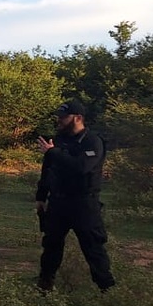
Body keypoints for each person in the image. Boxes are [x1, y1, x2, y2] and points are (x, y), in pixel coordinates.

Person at [34, 99, 115, 293]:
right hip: (58, 202)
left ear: (78, 118)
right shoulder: (59, 140)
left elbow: (81, 167)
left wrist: (53, 152)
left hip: (84, 204)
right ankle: (45, 285)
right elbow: (48, 170)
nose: (59, 120)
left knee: (93, 248)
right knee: (51, 245)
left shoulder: (92, 141)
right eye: (58, 117)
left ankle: (108, 290)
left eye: (63, 117)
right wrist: (41, 197)